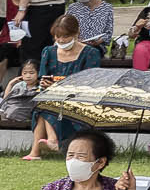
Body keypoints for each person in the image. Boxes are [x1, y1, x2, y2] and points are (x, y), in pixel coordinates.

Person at [28, 15, 103, 159]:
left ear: (76, 34)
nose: (61, 41)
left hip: (79, 97)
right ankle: (48, 143)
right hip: (52, 95)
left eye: (65, 37)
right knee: (44, 101)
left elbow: (91, 81)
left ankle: (43, 146)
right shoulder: (48, 52)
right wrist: (46, 83)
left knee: (47, 104)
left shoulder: (91, 53)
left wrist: (63, 86)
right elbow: (43, 77)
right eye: (58, 37)